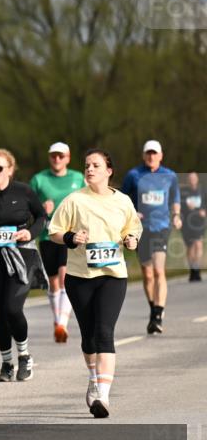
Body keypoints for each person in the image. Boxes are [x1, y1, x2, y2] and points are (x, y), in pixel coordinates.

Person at [49, 149, 141, 418]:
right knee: (89, 335)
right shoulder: (74, 200)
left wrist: (131, 239)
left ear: (108, 171)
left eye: (96, 165)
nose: (89, 169)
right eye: (87, 165)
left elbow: (132, 228)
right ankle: (93, 378)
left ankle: (103, 394)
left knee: (104, 331)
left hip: (113, 276)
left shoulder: (122, 201)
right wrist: (70, 238)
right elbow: (54, 231)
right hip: (80, 277)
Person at [0, 149, 47, 382]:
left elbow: (42, 217)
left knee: (12, 308)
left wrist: (29, 232)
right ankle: (6, 363)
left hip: (21, 255)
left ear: (10, 170)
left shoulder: (23, 192)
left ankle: (24, 356)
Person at [121, 140, 182, 334]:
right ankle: (153, 308)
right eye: (148, 153)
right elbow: (122, 199)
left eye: (155, 153)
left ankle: (157, 315)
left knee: (158, 271)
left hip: (161, 227)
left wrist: (177, 215)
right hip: (141, 229)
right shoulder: (134, 175)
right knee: (147, 274)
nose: (151, 156)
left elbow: (175, 198)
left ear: (161, 155)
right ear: (143, 155)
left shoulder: (169, 175)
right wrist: (132, 213)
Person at [30, 142, 85, 342]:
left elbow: (88, 201)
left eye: (61, 156)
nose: (57, 159)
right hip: (48, 236)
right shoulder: (39, 179)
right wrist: (42, 208)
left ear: (68, 158)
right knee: (53, 283)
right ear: (49, 157)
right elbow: (29, 209)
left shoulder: (78, 178)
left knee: (64, 278)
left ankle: (62, 323)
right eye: (54, 156)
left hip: (71, 235)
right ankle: (57, 321)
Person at [181, 172, 206, 282]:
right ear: (187, 180)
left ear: (197, 179)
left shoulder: (202, 191)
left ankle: (197, 269)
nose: (192, 180)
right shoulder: (183, 193)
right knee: (190, 247)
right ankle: (192, 269)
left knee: (198, 244)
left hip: (199, 222)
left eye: (194, 178)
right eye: (190, 178)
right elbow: (178, 206)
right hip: (187, 223)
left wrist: (204, 211)